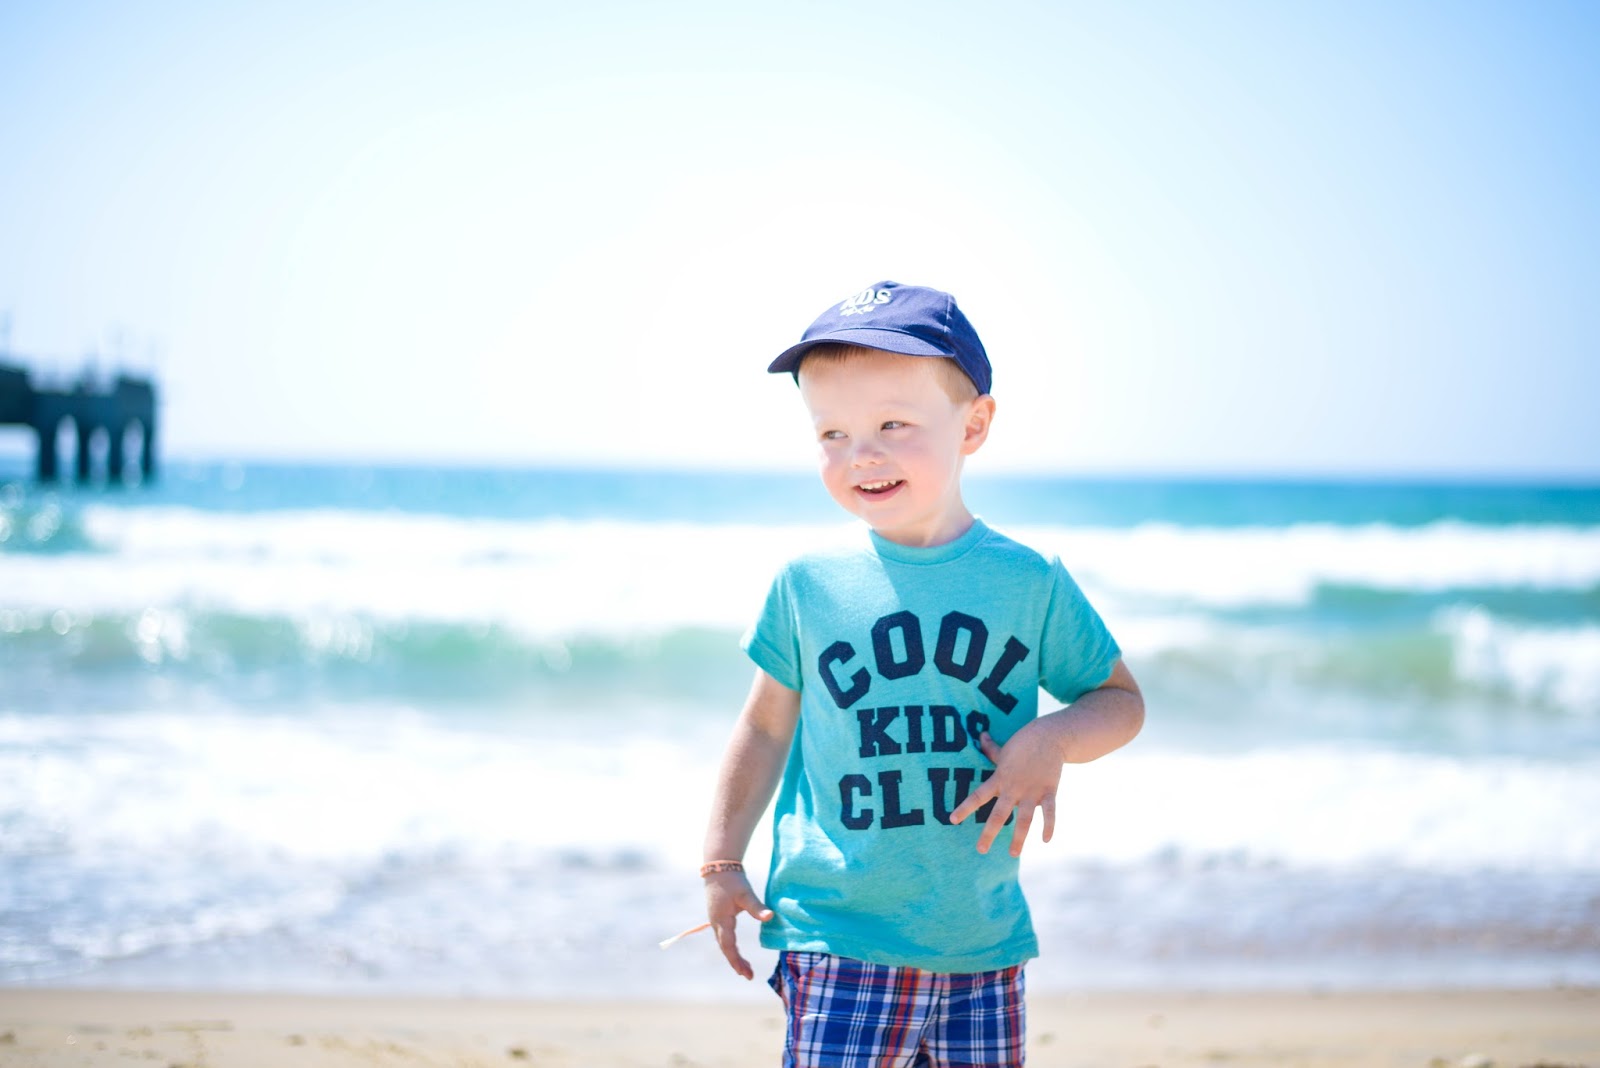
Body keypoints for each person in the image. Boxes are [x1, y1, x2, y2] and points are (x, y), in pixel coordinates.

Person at [702, 281, 1144, 1068]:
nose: (859, 454)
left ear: (973, 425)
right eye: (830, 433)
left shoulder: (1029, 580)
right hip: (839, 933)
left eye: (891, 425)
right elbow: (765, 726)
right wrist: (722, 861)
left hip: (982, 942)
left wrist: (1050, 737)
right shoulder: (808, 582)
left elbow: (1118, 702)